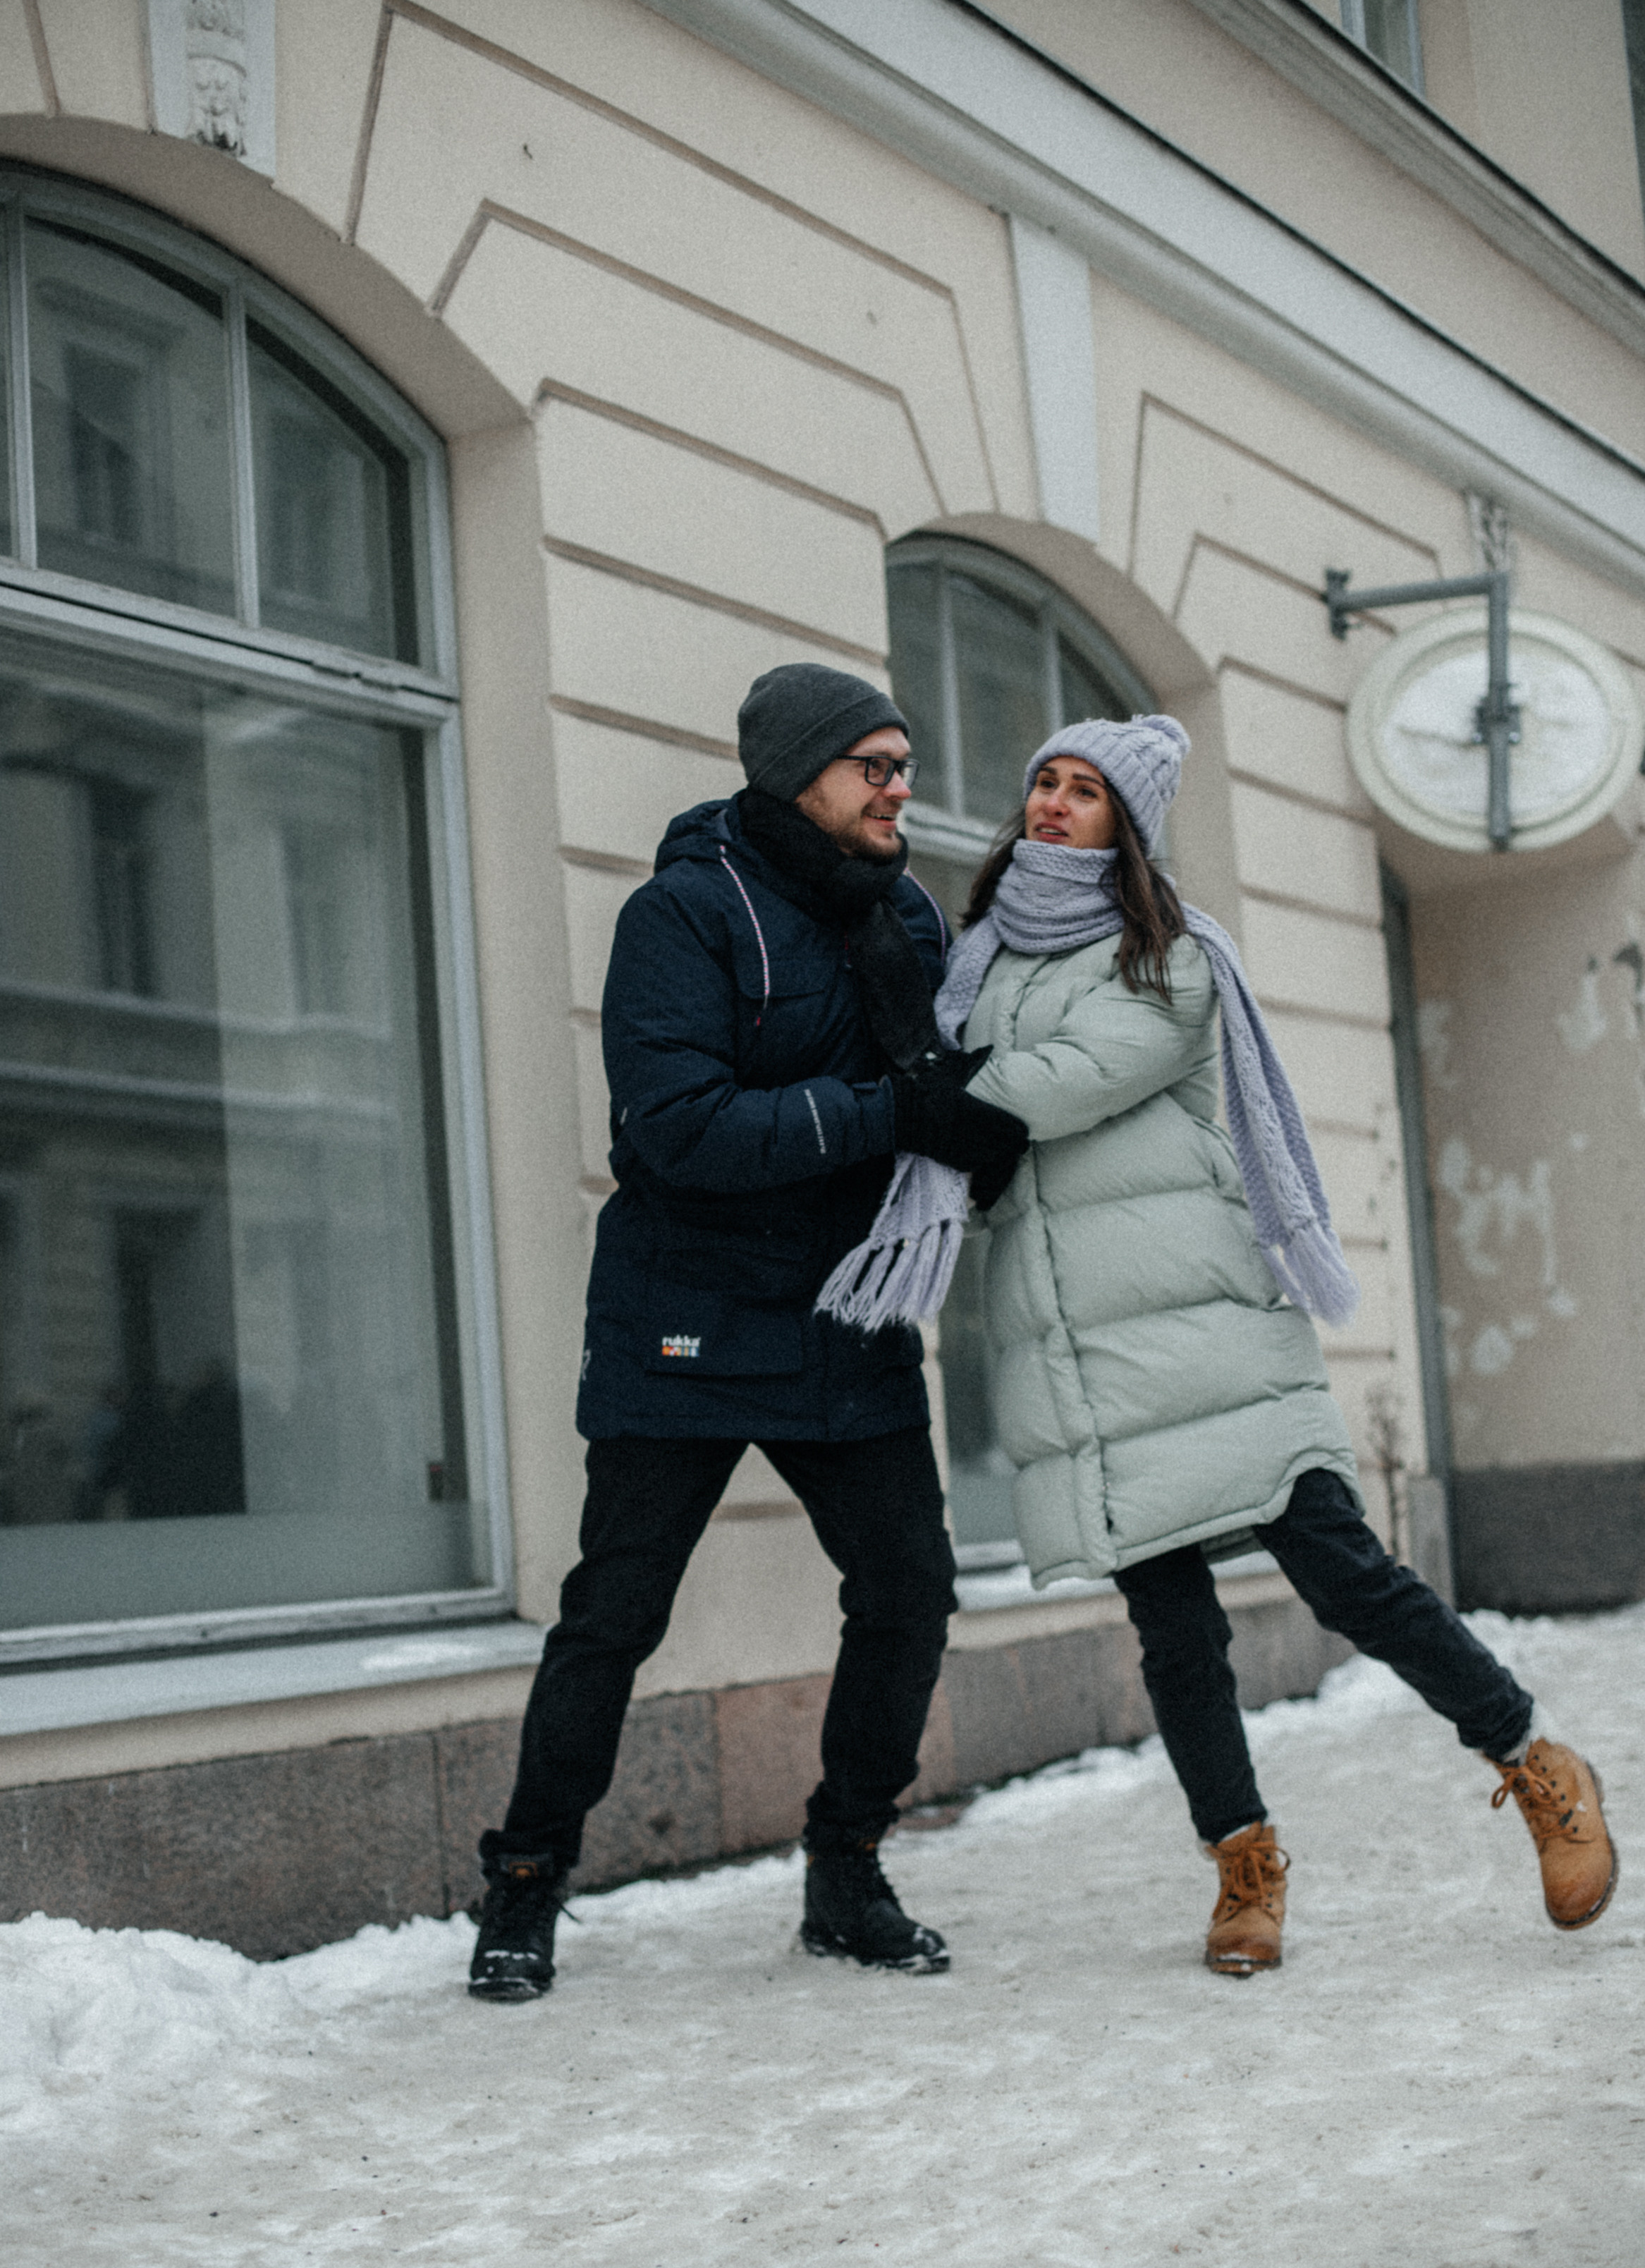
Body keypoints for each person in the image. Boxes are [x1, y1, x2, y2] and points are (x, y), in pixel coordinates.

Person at [938, 713, 1618, 1975]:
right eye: (1042, 781)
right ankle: (1242, 1867)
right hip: (1081, 1346)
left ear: (1124, 826)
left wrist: (925, 1101)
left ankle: (1533, 1760)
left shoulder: (1170, 956)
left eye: (1084, 791)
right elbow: (980, 1141)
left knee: (1344, 1575)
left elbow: (1075, 1078)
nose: (1052, 804)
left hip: (1207, 1328)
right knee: (1173, 1631)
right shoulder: (974, 964)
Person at [467, 663, 1027, 2000]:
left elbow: (950, 1092)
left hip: (847, 1319)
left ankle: (845, 1870)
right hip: (689, 1319)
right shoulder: (684, 912)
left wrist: (979, 1131)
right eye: (873, 766)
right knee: (615, 1616)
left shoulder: (900, 914)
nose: (901, 786)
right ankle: (526, 1885)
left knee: (906, 1594)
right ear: (796, 775)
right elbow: (674, 1131)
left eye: (902, 764)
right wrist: (890, 1113)